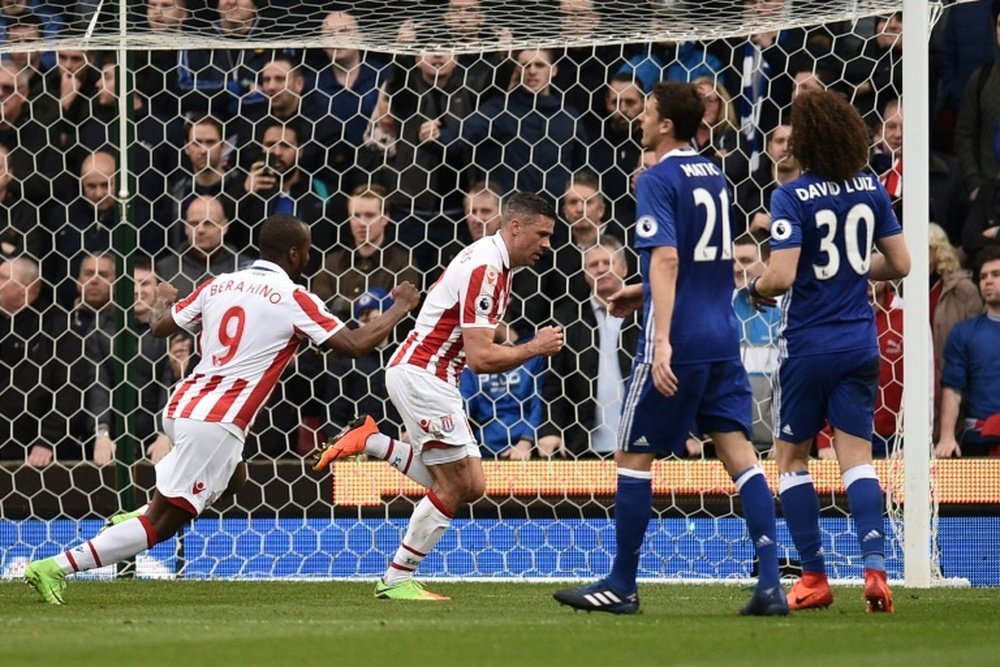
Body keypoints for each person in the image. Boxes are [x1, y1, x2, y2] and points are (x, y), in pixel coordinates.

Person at [23, 213, 420, 605]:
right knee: (162, 525)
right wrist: (400, 306)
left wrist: (163, 302)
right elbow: (355, 345)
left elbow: (161, 327)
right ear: (296, 253)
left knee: (234, 478)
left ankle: (143, 510)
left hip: (183, 406)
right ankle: (55, 566)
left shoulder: (219, 283)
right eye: (309, 250)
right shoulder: (295, 298)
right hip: (216, 420)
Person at [552, 82, 787, 616]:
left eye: (647, 112)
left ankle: (622, 583)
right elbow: (714, 263)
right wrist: (637, 293)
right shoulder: (717, 177)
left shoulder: (657, 178)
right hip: (721, 333)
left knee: (633, 456)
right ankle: (771, 583)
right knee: (741, 457)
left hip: (677, 340)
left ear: (663, 125)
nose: (639, 119)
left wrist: (658, 341)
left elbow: (669, 261)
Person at [312, 192, 564, 601]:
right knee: (454, 486)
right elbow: (481, 359)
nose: (547, 245)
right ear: (515, 226)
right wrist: (534, 347)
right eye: (543, 234)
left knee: (471, 485)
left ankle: (371, 441)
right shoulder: (486, 266)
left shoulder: (494, 261)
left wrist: (503, 333)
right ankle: (395, 579)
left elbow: (471, 319)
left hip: (428, 375)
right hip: (425, 375)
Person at [744, 90, 911, 613]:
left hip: (810, 346)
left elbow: (782, 276)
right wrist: (854, 271)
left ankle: (814, 576)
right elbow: (901, 263)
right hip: (861, 342)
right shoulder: (871, 187)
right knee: (856, 459)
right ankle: (877, 570)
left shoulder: (792, 195)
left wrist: (756, 287)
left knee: (791, 458)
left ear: (807, 141)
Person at [537, 238, 639, 459]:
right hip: (584, 445)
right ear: (585, 274)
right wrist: (551, 430)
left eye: (608, 262)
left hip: (644, 441)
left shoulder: (648, 314)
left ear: (624, 268)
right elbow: (555, 383)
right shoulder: (567, 320)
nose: (601, 268)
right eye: (593, 265)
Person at [934, 246, 1000, 458]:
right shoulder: (964, 332)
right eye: (983, 277)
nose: (987, 281)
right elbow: (952, 389)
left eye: (996, 274)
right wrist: (946, 436)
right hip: (981, 438)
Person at [460, 321, 544, 460]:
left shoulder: (534, 352)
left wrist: (527, 441)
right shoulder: (473, 361)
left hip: (529, 450)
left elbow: (540, 401)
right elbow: (463, 404)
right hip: (484, 450)